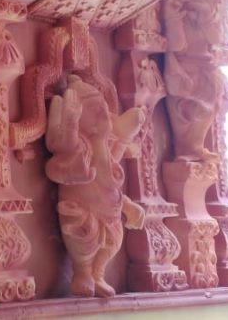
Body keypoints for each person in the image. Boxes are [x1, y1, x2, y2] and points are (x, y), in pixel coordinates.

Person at [45, 76, 146, 297]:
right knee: (83, 239)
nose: (103, 115)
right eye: (95, 111)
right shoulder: (81, 147)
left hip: (110, 211)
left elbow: (111, 179)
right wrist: (71, 122)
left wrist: (128, 206)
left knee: (113, 241)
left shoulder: (104, 147)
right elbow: (63, 156)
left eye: (103, 110)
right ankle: (82, 273)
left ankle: (98, 273)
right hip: (83, 209)